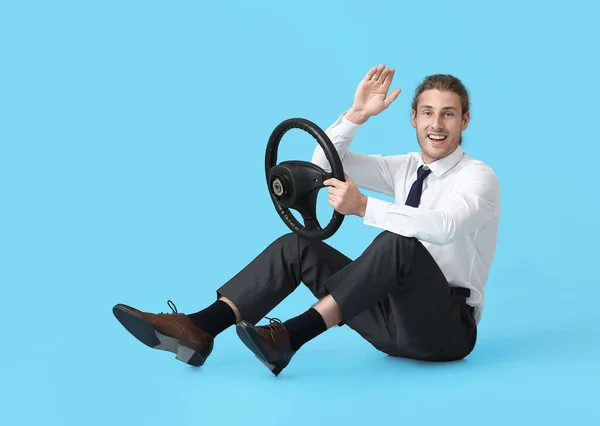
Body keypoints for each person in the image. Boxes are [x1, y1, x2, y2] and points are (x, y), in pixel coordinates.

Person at [113, 64, 500, 376]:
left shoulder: (478, 177)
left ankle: (292, 336)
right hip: (389, 324)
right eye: (428, 113)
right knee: (296, 246)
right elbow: (324, 164)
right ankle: (199, 328)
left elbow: (447, 226)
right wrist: (356, 115)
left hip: (445, 330)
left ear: (464, 121)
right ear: (413, 118)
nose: (437, 124)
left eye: (448, 114)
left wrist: (365, 208)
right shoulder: (404, 167)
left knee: (399, 242)